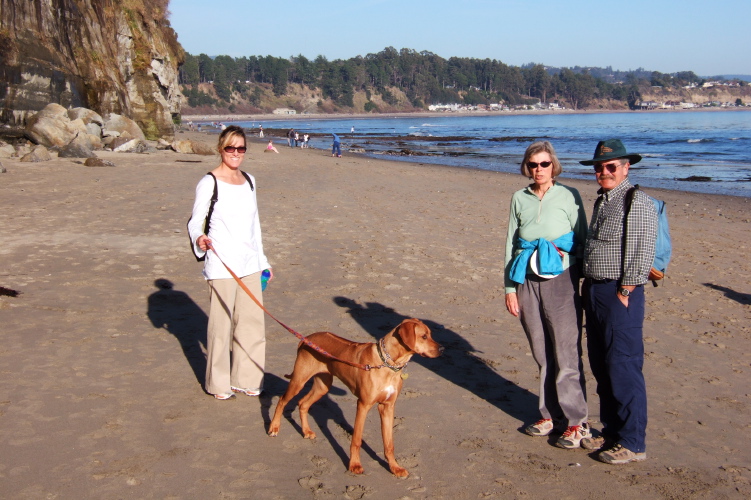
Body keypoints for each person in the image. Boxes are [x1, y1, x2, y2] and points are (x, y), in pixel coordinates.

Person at [504, 141, 590, 449]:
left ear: (553, 165)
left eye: (544, 164)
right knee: (541, 352)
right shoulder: (519, 198)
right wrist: (509, 289)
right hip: (525, 281)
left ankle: (577, 422)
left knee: (565, 352)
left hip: (561, 282)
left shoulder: (569, 196)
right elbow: (510, 245)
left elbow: (583, 240)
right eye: (533, 164)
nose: (539, 169)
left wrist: (569, 267)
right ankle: (548, 415)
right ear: (526, 167)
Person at [580, 138, 657, 464]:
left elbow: (643, 250)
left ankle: (633, 443)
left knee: (623, 367)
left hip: (619, 294)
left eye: (611, 167)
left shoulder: (636, 201)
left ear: (626, 167)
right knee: (602, 365)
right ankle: (612, 432)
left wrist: (626, 290)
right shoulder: (603, 200)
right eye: (599, 167)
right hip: (595, 291)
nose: (604, 172)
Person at [188, 125, 273, 400]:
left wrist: (263, 262)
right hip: (222, 265)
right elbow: (195, 222)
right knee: (220, 328)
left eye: (241, 148)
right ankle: (218, 383)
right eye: (230, 148)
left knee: (252, 325)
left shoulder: (250, 181)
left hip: (249, 264)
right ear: (220, 149)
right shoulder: (209, 182)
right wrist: (200, 238)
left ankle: (247, 379)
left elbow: (255, 226)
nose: (235, 153)